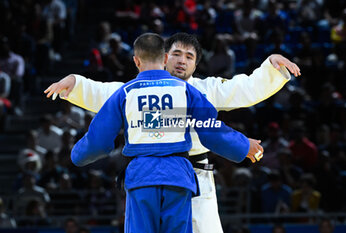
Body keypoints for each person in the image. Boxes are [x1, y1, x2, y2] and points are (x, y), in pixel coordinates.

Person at [45, 33, 300, 233]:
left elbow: (243, 88)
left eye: (189, 57)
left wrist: (271, 68)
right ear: (164, 57)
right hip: (164, 172)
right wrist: (76, 83)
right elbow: (104, 92)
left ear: (196, 64)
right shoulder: (140, 88)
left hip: (195, 175)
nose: (182, 60)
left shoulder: (204, 89)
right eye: (176, 54)